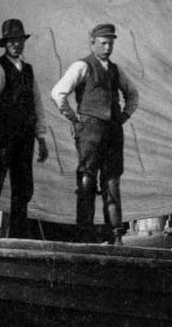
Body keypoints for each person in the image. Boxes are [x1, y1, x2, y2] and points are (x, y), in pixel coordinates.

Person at [51, 22, 139, 243]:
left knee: (112, 183)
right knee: (86, 182)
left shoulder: (116, 70)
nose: (108, 48)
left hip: (113, 133)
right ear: (93, 43)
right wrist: (74, 119)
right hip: (90, 132)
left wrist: (124, 117)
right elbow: (58, 93)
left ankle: (116, 237)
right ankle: (84, 236)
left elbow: (133, 95)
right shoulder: (82, 66)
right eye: (103, 43)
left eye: (110, 43)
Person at [0, 18, 49, 239]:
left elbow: (37, 105)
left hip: (24, 139)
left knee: (23, 190)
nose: (16, 44)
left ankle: (17, 238)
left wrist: (41, 137)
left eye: (19, 40)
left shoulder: (28, 71)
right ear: (5, 44)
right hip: (2, 139)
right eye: (12, 40)